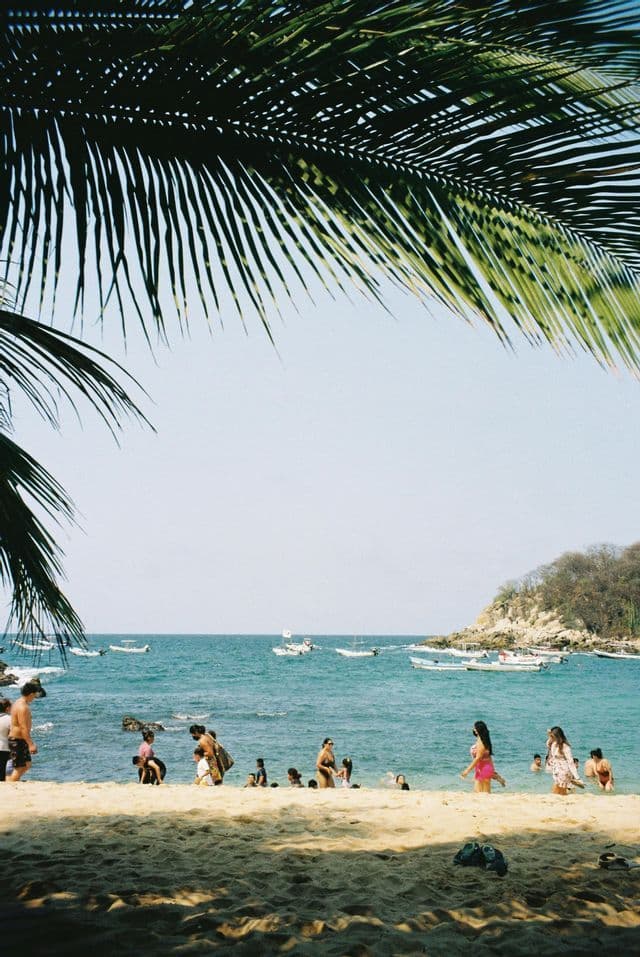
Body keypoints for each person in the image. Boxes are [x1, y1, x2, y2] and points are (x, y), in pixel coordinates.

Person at [8, 680, 46, 782]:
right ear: (30, 694)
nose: (34, 697)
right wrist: (30, 744)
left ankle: (12, 781)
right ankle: (10, 785)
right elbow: (23, 727)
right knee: (20, 767)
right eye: (34, 695)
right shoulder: (23, 707)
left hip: (19, 739)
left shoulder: (18, 702)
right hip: (17, 740)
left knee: (27, 765)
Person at [460, 720, 506, 793]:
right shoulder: (482, 740)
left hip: (484, 769)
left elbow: (478, 758)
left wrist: (467, 770)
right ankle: (498, 778)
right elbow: (488, 757)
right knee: (480, 792)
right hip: (481, 768)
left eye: (475, 728)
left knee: (482, 793)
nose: (473, 729)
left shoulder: (481, 742)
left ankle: (498, 778)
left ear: (478, 729)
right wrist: (493, 770)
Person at [545, 726, 585, 795]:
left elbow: (570, 762)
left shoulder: (565, 746)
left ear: (558, 736)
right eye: (552, 736)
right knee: (559, 791)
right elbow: (548, 744)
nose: (552, 738)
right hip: (556, 771)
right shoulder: (554, 744)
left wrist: (577, 777)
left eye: (553, 736)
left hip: (564, 772)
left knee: (557, 791)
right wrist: (549, 735)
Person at [0, 698, 12, 781]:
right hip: (4, 748)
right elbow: (12, 735)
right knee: (2, 774)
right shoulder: (9, 719)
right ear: (7, 708)